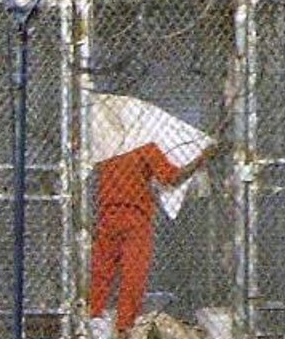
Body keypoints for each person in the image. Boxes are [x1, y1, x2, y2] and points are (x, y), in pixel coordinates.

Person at [87, 93, 217, 339]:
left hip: (107, 215)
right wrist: (201, 158)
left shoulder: (105, 148)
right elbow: (171, 178)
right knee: (133, 274)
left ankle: (92, 319)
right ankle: (124, 327)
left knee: (101, 271)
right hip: (136, 218)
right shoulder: (145, 148)